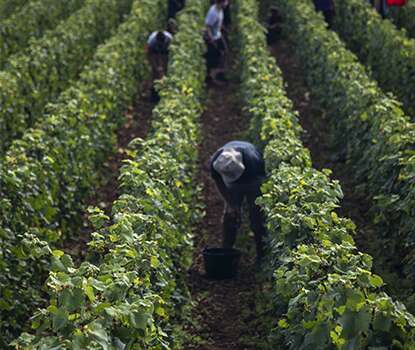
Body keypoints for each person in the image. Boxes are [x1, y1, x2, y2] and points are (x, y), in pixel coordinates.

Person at [210, 141, 267, 262]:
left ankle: (262, 254)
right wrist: (231, 204)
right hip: (235, 181)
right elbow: (219, 182)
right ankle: (226, 251)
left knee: (257, 216)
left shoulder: (253, 162)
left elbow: (261, 184)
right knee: (230, 214)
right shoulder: (216, 162)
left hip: (254, 179)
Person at [204, 0, 228, 84]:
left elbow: (219, 22)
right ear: (221, 2)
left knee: (224, 52)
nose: (227, 3)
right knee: (214, 58)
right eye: (225, 1)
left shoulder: (220, 9)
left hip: (218, 35)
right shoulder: (213, 12)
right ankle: (210, 77)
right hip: (213, 38)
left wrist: (223, 29)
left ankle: (220, 73)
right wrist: (212, 40)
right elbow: (208, 27)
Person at [146, 30, 173, 101]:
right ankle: (153, 91)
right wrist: (155, 66)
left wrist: (163, 68)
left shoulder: (169, 39)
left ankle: (164, 88)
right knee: (154, 71)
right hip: (154, 51)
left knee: (164, 70)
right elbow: (149, 54)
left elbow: (170, 53)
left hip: (165, 51)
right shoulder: (152, 41)